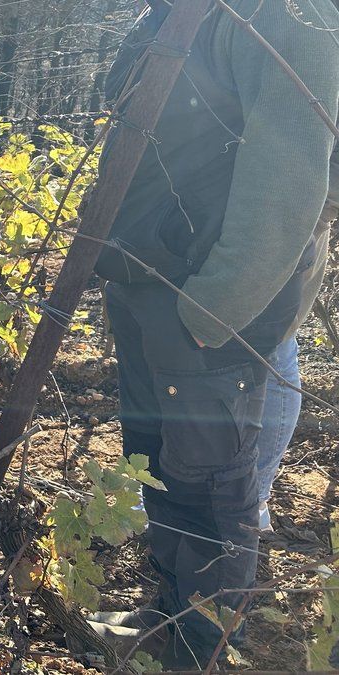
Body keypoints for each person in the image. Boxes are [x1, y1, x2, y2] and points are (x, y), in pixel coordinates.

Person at [91, 0, 339, 667]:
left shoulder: (287, 14)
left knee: (208, 483)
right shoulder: (174, 13)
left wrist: (211, 311)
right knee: (159, 462)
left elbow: (287, 187)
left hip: (208, 305)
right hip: (151, 284)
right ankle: (169, 615)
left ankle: (199, 649)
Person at [254, 146, 338, 531]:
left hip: (288, 218)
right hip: (189, 213)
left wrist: (314, 217)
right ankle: (159, 491)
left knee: (273, 349)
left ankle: (251, 496)